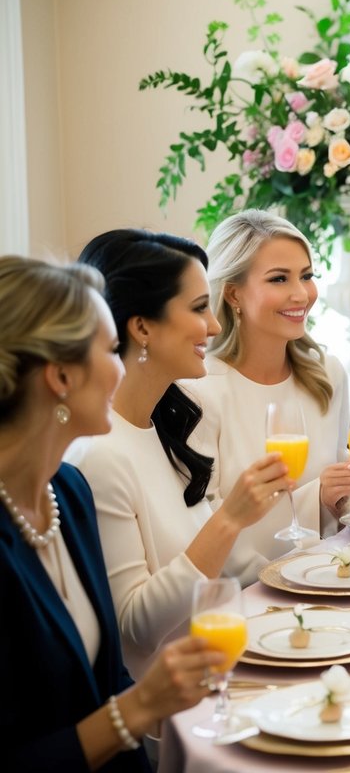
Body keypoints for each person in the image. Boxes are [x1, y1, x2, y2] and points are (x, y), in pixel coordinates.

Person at [0, 255, 226, 772]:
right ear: (59, 376)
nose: (121, 367)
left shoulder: (68, 492)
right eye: (108, 350)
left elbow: (106, 680)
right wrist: (144, 704)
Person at [68, 230, 288, 676]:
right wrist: (230, 518)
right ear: (142, 327)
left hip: (226, 660)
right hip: (174, 700)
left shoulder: (171, 423)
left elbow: (216, 575)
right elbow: (136, 629)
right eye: (198, 308)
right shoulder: (100, 457)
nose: (215, 325)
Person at [184, 211, 350, 561]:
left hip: (327, 577)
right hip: (244, 594)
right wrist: (317, 496)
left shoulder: (328, 375)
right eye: (279, 279)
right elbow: (202, 527)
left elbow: (339, 521)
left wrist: (349, 484)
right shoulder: (199, 390)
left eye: (307, 276)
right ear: (234, 294)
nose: (301, 294)